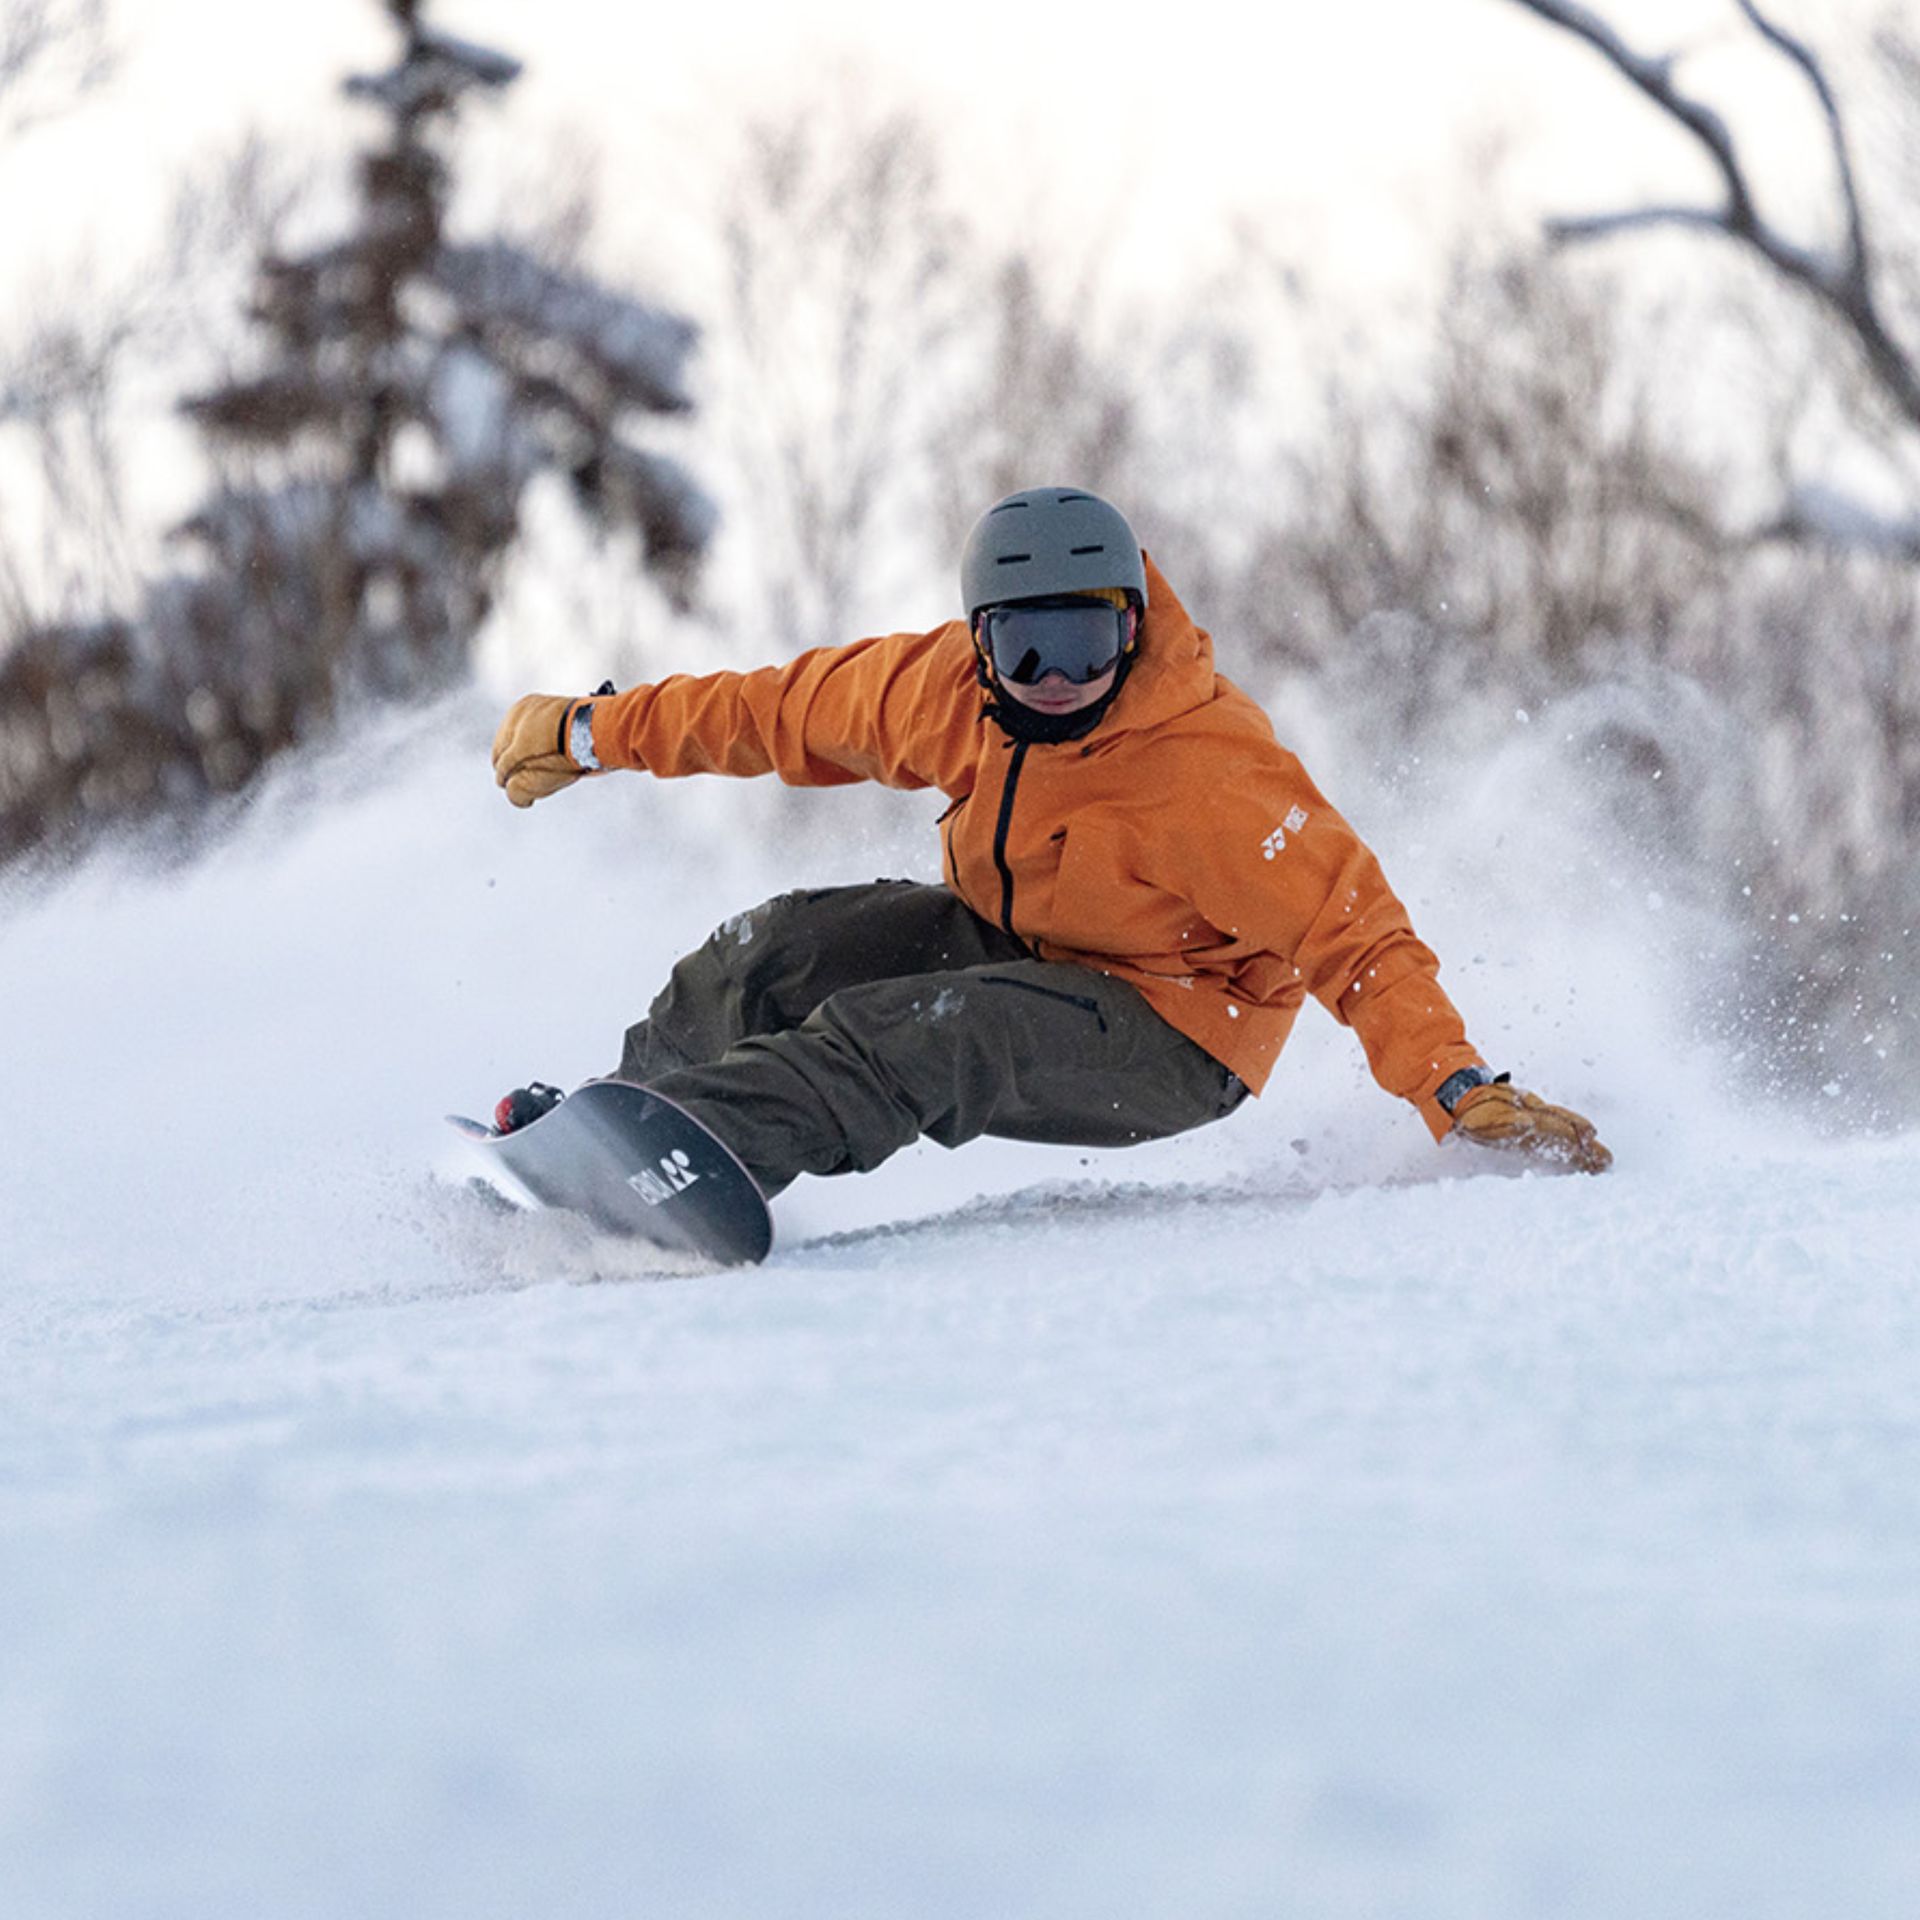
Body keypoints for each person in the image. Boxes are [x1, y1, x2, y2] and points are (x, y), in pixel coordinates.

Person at [488, 485, 1610, 1195]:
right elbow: (773, 711)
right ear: (981, 641)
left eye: (1089, 642)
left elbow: (1355, 936)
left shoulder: (1204, 769)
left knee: (920, 1037)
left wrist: (1457, 1088)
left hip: (1178, 1025)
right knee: (772, 949)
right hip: (1029, 947)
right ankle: (619, 1125)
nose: (1061, 678)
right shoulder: (938, 692)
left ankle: (692, 1150)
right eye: (1028, 649)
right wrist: (594, 733)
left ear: (1135, 625)